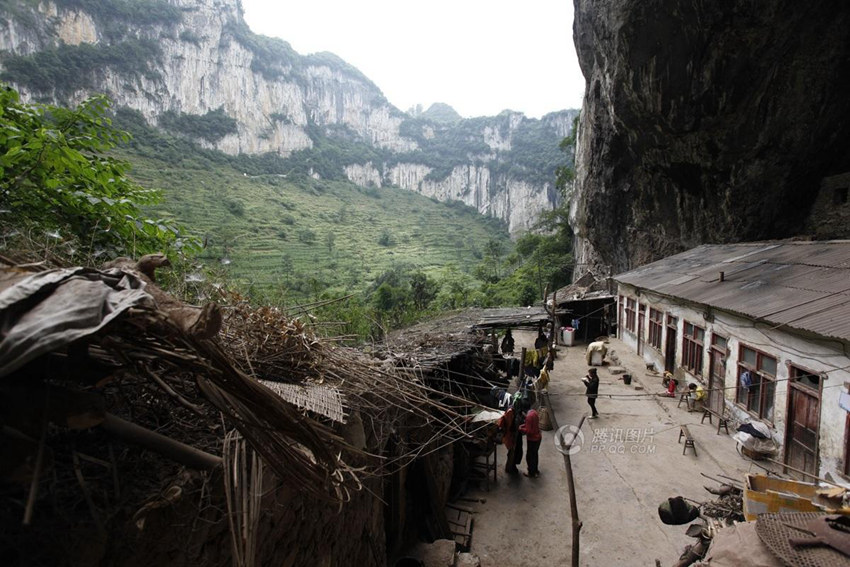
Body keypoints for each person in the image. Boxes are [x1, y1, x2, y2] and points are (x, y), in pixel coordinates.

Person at [519, 404, 542, 477]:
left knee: (529, 456)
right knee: (535, 455)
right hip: (538, 437)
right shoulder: (534, 412)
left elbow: (529, 431)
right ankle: (535, 470)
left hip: (532, 439)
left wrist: (520, 429)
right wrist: (523, 425)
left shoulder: (528, 417)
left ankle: (531, 473)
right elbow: (531, 424)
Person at [496, 406, 519, 475]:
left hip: (508, 435)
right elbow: (509, 425)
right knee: (511, 452)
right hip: (509, 436)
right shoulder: (510, 413)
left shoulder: (508, 413)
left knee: (511, 452)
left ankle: (509, 467)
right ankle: (509, 468)